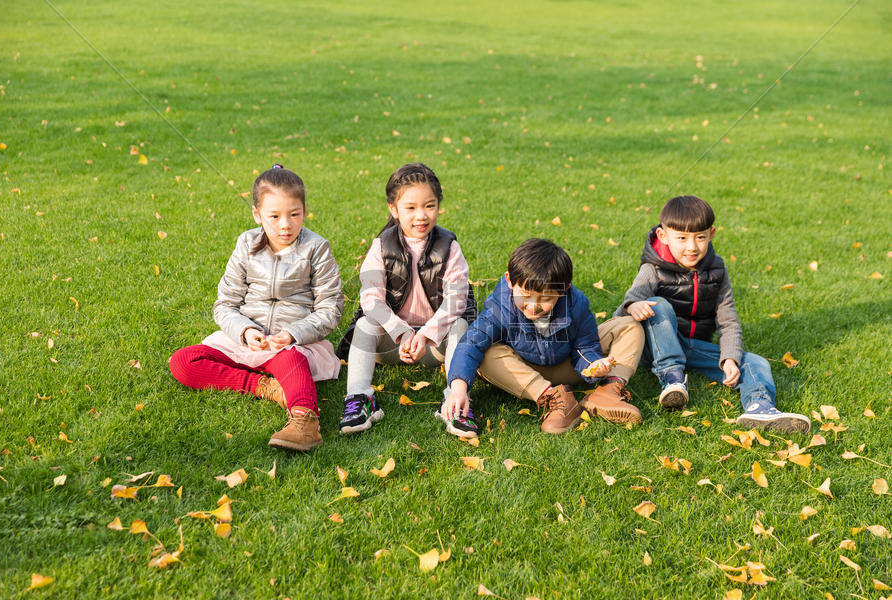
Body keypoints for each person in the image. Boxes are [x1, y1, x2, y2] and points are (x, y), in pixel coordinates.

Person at [169, 165, 344, 451]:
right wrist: (245, 331)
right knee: (183, 362)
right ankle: (264, 386)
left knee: (292, 362)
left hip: (291, 344)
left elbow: (330, 310)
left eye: (294, 214)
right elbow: (225, 304)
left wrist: (293, 334)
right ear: (257, 215)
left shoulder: (317, 249)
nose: (285, 224)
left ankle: (304, 422)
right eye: (274, 216)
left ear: (305, 211)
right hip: (248, 341)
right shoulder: (246, 244)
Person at [617, 194, 810, 433]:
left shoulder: (717, 270)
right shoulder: (652, 269)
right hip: (653, 347)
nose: (692, 246)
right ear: (663, 236)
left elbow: (728, 320)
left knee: (755, 363)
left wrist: (730, 358)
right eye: (682, 238)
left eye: (700, 237)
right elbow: (626, 308)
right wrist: (633, 306)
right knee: (657, 304)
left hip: (690, 346)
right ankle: (672, 378)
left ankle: (760, 406)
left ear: (712, 234)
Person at [441, 238, 645, 438]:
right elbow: (471, 343)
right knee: (486, 354)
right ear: (510, 281)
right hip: (523, 371)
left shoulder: (576, 304)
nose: (533, 305)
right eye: (526, 294)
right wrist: (458, 389)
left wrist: (593, 365)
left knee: (629, 326)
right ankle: (554, 398)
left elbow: (586, 344)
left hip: (568, 365)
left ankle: (608, 391)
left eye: (545, 299)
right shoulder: (499, 307)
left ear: (563, 290)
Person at [335, 163, 475, 435]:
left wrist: (424, 336)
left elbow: (457, 300)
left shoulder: (449, 247)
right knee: (365, 325)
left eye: (429, 206)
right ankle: (360, 398)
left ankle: (455, 401)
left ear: (438, 205)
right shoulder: (382, 246)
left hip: (435, 346)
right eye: (410, 208)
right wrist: (400, 331)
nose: (421, 215)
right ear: (393, 209)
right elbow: (371, 299)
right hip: (390, 343)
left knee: (460, 326)